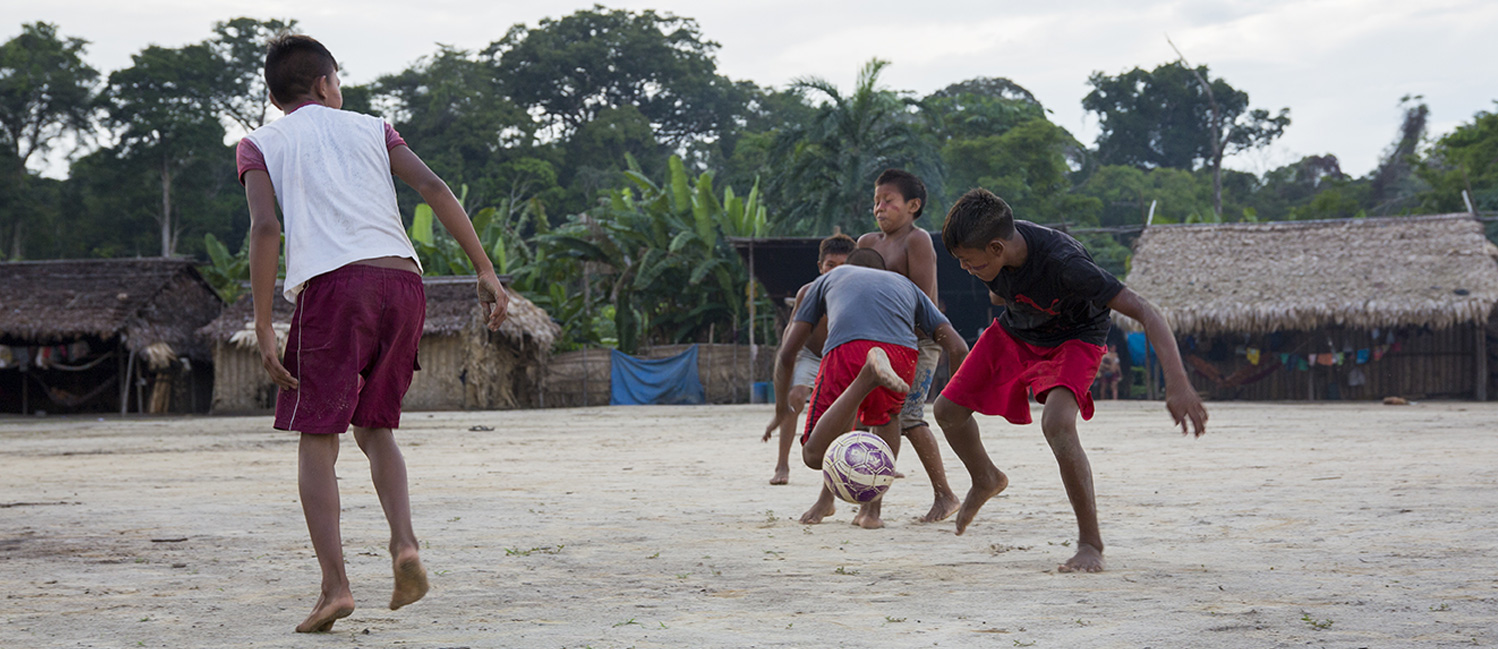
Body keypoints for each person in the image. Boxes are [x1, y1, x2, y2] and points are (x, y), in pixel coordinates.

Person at [239, 34, 508, 633]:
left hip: (336, 290)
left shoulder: (258, 143)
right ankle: (405, 545)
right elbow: (434, 189)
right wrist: (485, 270)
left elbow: (265, 229)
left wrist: (262, 322)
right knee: (377, 426)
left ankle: (335, 588)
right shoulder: (372, 127)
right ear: (326, 84)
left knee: (317, 436)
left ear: (276, 93)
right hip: (405, 283)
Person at [933, 188, 1206, 573]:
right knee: (947, 409)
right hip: (1017, 331)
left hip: (1076, 338)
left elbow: (1147, 311)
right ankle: (986, 477)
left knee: (1058, 423)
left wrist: (1178, 384)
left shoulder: (1066, 264)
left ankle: (1090, 543)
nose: (965, 269)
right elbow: (1001, 296)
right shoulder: (995, 257)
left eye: (969, 262)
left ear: (997, 248)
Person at [766, 249, 970, 529]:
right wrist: (955, 401)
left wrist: (780, 410)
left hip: (848, 349)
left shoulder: (831, 278)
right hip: (902, 353)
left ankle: (867, 376)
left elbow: (788, 353)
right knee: (887, 418)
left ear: (849, 266)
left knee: (814, 456)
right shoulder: (906, 285)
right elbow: (958, 347)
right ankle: (871, 513)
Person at [857, 169, 961, 523]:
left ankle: (941, 496)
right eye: (876, 202)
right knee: (871, 416)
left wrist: (903, 340)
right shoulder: (867, 244)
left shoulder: (916, 241)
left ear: (913, 206)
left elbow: (921, 298)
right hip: (879, 345)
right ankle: (866, 497)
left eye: (888, 201)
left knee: (905, 416)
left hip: (918, 341)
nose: (879, 208)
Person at [763, 233, 856, 485]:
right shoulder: (809, 293)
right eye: (830, 265)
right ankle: (782, 464)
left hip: (841, 354)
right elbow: (791, 334)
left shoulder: (859, 293)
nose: (836, 272)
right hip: (811, 352)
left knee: (858, 406)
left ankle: (862, 461)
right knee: (796, 397)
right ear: (820, 267)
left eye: (844, 266)